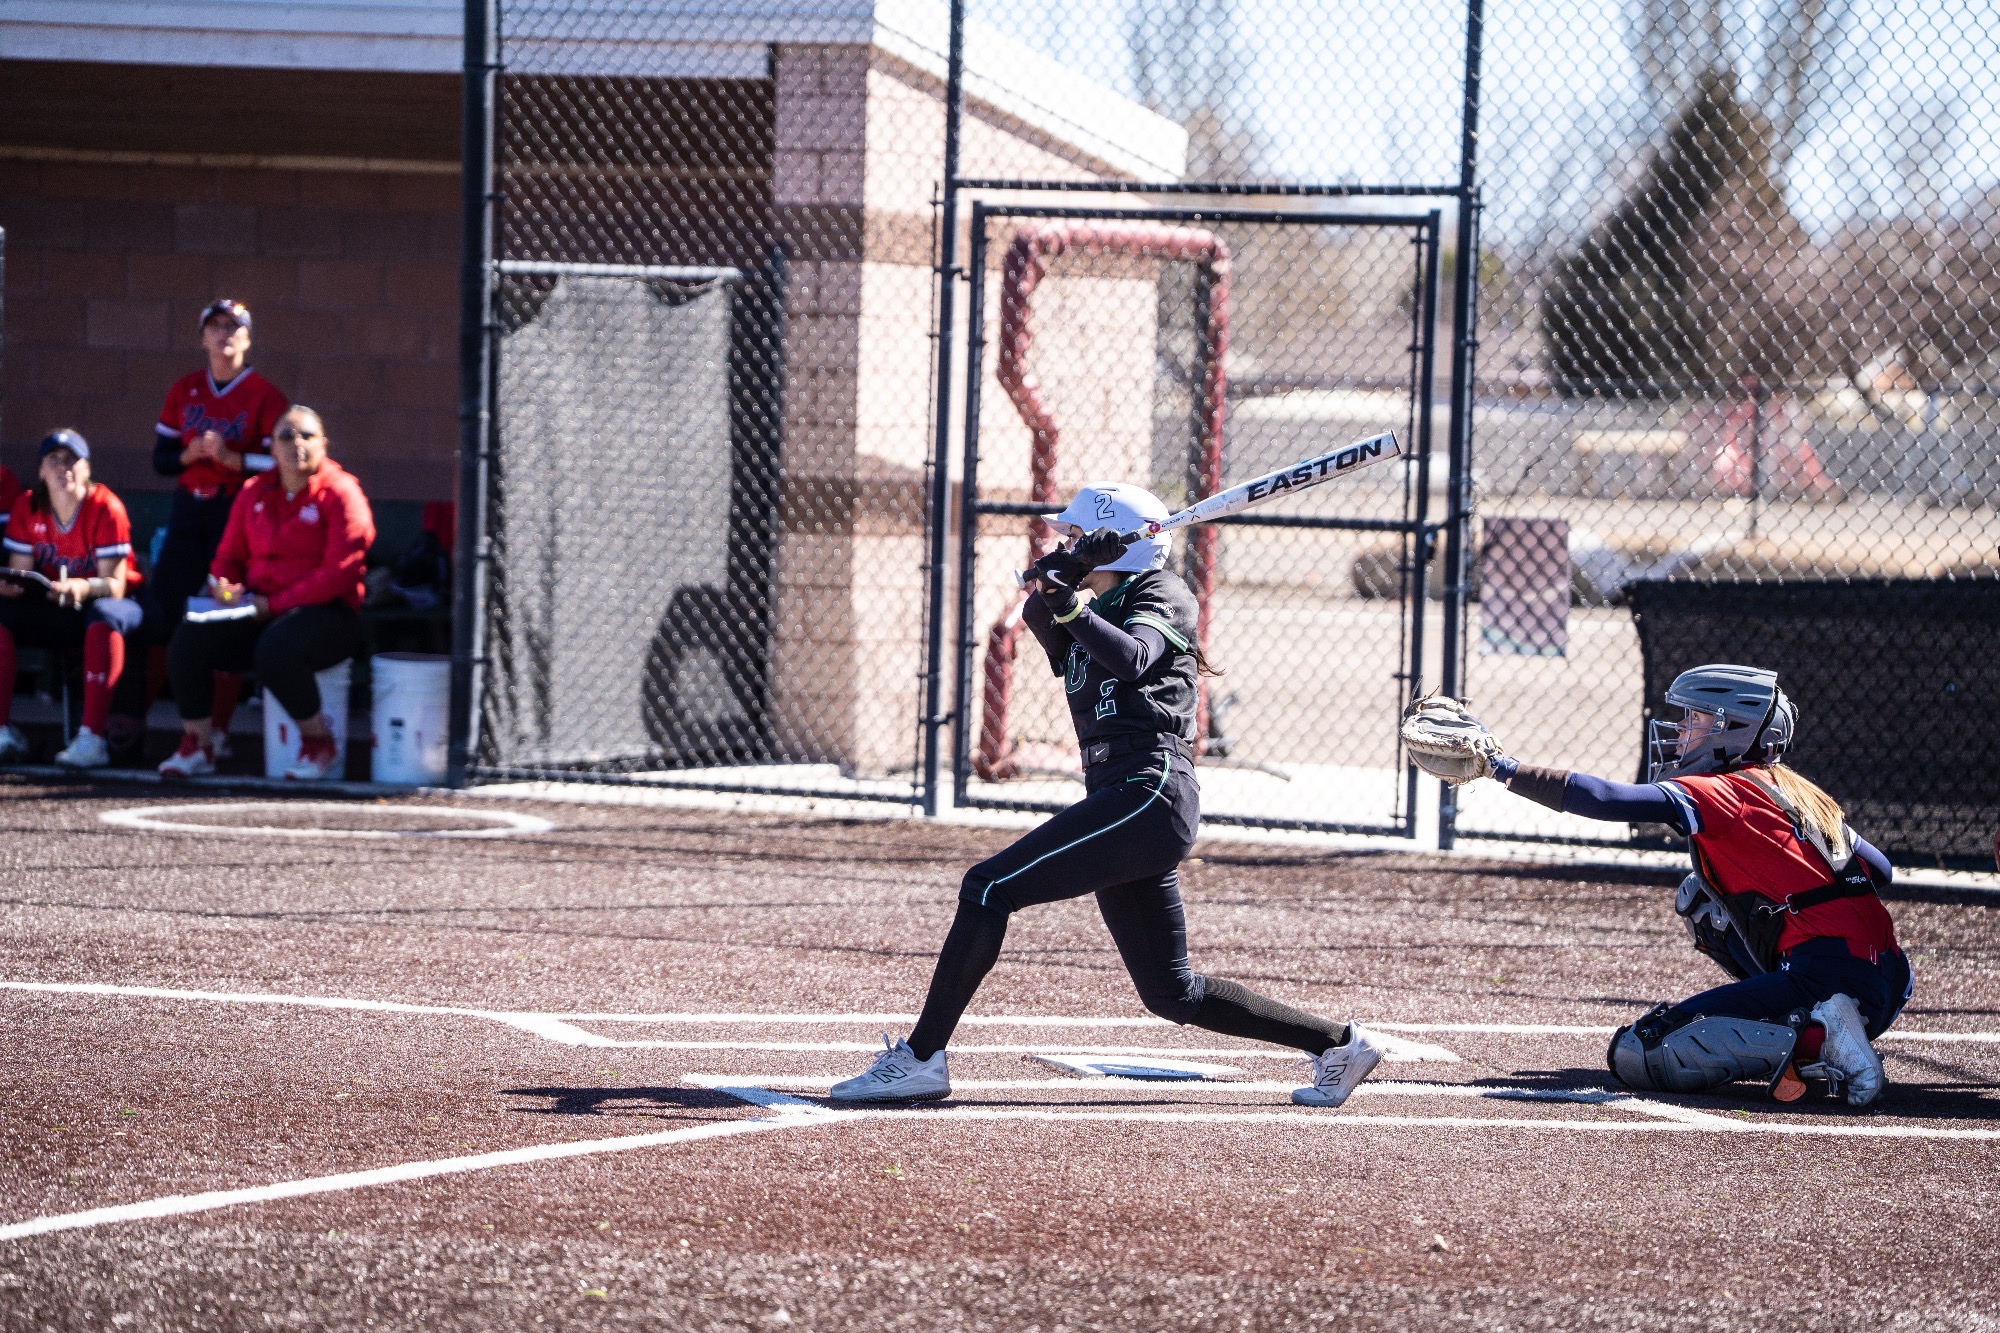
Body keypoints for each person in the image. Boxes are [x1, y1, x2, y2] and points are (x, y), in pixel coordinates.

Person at [828, 483, 1387, 1108]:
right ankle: (1338, 1043)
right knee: (1169, 991)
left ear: (1120, 547)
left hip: (1149, 791)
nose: (1063, 542)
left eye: (1076, 536)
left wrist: (1073, 595)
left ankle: (923, 1057)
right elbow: (1049, 623)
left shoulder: (1161, 593)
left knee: (987, 888)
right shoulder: (1096, 600)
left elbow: (1132, 657)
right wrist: (1060, 580)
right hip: (1122, 796)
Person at [1402, 665, 1910, 1107]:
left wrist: (1501, 768)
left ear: (1733, 729)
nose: (1683, 731)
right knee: (1702, 897)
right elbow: (1880, 872)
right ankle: (1825, 1025)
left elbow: (1605, 800)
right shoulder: (1800, 791)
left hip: (1826, 974)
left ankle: (1818, 1035)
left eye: (1697, 720)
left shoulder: (1723, 788)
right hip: (1886, 980)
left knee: (1638, 1050)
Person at [114, 299, 290, 757]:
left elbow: (280, 463)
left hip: (237, 513)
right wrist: (190, 456)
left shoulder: (265, 394)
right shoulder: (186, 389)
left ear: (248, 338)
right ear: (202, 337)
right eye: (214, 327)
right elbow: (161, 459)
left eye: (234, 327)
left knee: (223, 612)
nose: (223, 334)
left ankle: (219, 733)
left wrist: (234, 461)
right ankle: (135, 727)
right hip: (188, 510)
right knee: (164, 610)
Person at [160, 406, 373, 781]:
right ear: (272, 448)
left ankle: (319, 744)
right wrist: (222, 586)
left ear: (324, 444)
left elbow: (339, 574)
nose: (297, 444)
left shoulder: (342, 493)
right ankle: (200, 744)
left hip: (328, 615)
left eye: (307, 436)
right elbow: (227, 558)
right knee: (188, 639)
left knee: (277, 648)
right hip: (258, 608)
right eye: (286, 437)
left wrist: (273, 605)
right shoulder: (253, 491)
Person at [0, 431, 143, 768]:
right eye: (54, 460)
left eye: (71, 460)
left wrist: (81, 587)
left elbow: (116, 585)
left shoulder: (106, 507)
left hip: (110, 604)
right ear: (41, 471)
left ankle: (92, 738)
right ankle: (2, 731)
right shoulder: (28, 505)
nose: (62, 468)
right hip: (53, 602)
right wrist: (10, 587)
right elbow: (20, 573)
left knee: (104, 617)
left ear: (86, 468)